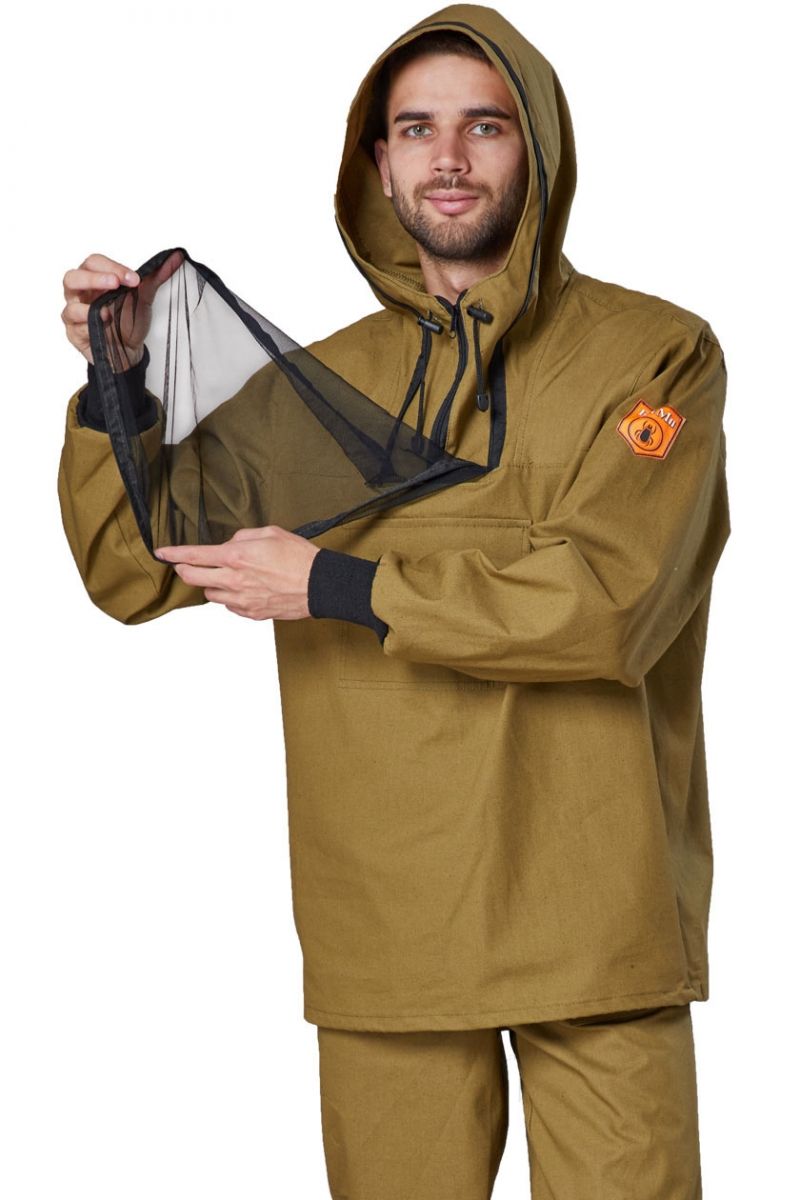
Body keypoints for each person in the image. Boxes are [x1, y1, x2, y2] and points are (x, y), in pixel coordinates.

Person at [58, 5, 730, 1197]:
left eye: (484, 125)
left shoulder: (652, 357)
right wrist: (122, 383)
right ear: (377, 163)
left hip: (598, 924)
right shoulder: (322, 388)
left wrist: (335, 583)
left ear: (538, 148)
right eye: (415, 130)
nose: (448, 158)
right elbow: (129, 567)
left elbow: (608, 604)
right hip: (387, 934)